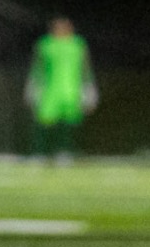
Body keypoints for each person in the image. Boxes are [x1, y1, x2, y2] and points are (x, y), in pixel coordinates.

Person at [25, 16, 97, 164]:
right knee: (44, 122)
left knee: (68, 124)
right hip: (50, 90)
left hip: (71, 91)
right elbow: (37, 67)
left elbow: (86, 68)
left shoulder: (77, 45)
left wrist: (89, 89)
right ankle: (40, 153)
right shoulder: (45, 45)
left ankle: (64, 153)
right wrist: (32, 87)